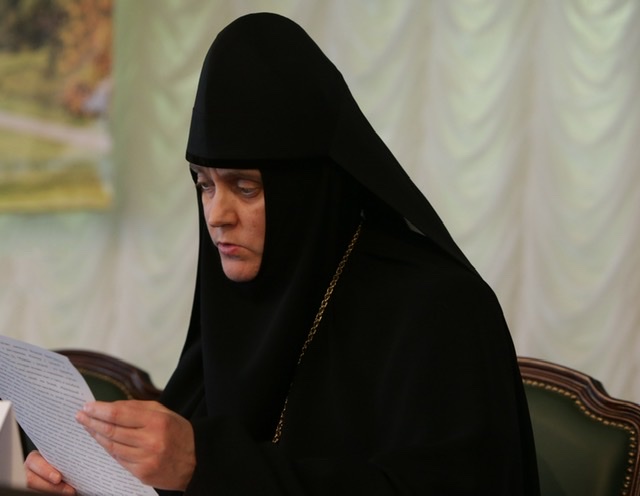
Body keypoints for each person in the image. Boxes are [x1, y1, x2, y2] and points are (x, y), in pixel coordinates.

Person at [25, 12, 539, 495]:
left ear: (308, 189)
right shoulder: (241, 298)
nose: (216, 215)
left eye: (245, 187)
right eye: (204, 184)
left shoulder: (440, 308)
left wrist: (209, 465)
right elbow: (179, 471)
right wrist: (91, 477)